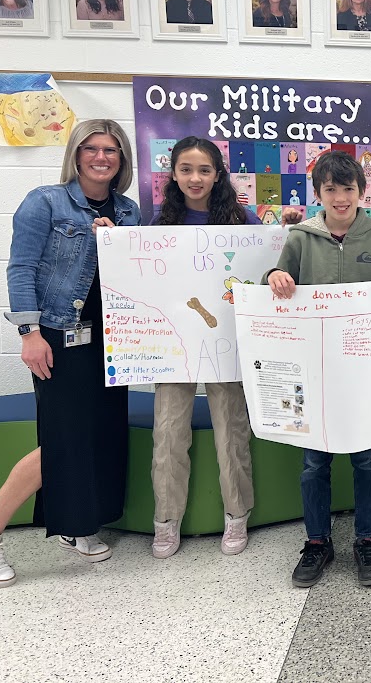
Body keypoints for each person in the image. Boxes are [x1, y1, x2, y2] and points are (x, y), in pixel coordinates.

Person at [0, 120, 140, 588]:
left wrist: (115, 244)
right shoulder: (46, 202)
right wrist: (29, 333)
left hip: (110, 341)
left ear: (122, 159)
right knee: (61, 442)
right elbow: (21, 268)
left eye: (111, 150)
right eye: (91, 148)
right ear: (76, 155)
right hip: (58, 336)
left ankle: (77, 526)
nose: (101, 157)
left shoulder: (129, 211)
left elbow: (136, 277)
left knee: (98, 435)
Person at [265, 151, 371, 588]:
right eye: (331, 189)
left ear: (362, 192)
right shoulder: (300, 239)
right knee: (314, 463)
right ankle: (316, 541)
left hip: (363, 373)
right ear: (318, 193)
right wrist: (274, 276)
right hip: (315, 372)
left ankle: (367, 539)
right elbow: (277, 280)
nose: (340, 197)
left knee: (366, 460)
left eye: (348, 189)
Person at [148, 137, 261, 560]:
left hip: (224, 341)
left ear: (218, 175)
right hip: (175, 345)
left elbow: (265, 267)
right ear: (174, 174)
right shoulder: (160, 222)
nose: (195, 178)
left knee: (231, 430)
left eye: (204, 170)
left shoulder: (242, 220)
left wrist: (284, 231)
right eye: (186, 169)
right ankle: (166, 520)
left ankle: (237, 513)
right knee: (168, 433)